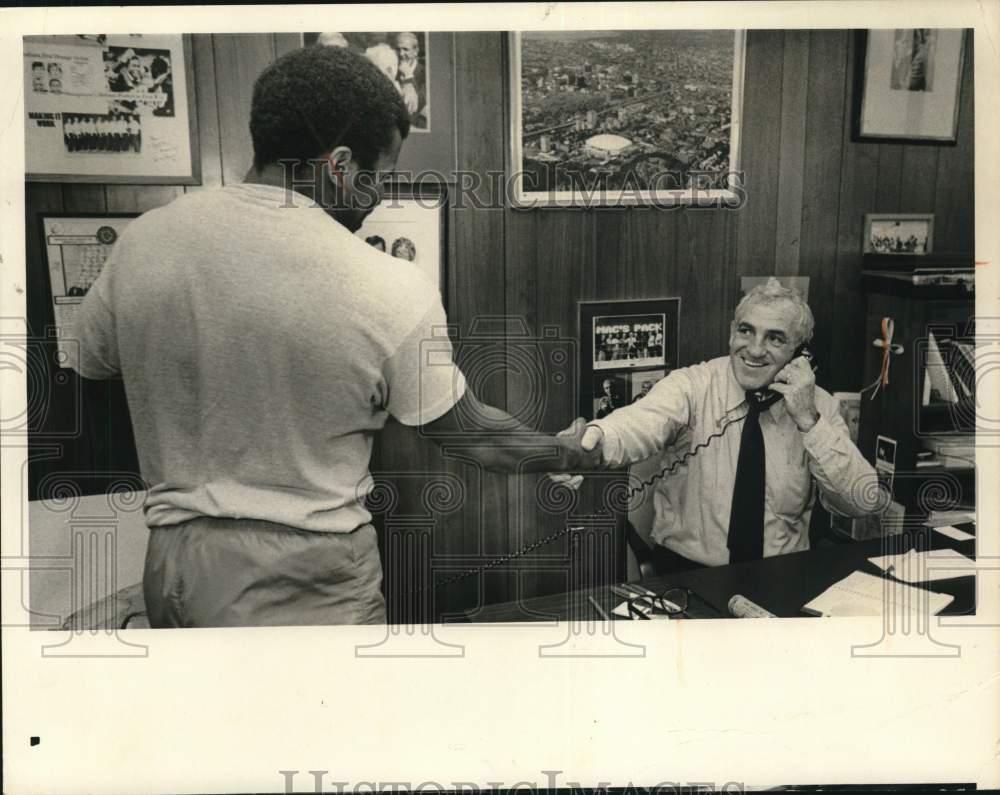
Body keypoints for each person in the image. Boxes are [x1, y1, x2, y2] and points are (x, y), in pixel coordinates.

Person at [69, 45, 596, 628]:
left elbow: (93, 381)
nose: (376, 199)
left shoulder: (142, 243)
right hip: (302, 582)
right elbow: (474, 436)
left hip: (172, 569)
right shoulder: (385, 284)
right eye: (381, 176)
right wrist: (565, 451)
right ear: (340, 165)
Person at [558, 280, 883, 574]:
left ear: (800, 353)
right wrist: (594, 441)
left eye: (775, 338)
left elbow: (861, 501)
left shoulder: (818, 407)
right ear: (731, 332)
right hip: (689, 573)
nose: (755, 349)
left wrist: (808, 422)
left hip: (781, 575)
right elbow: (642, 422)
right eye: (746, 331)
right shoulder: (693, 385)